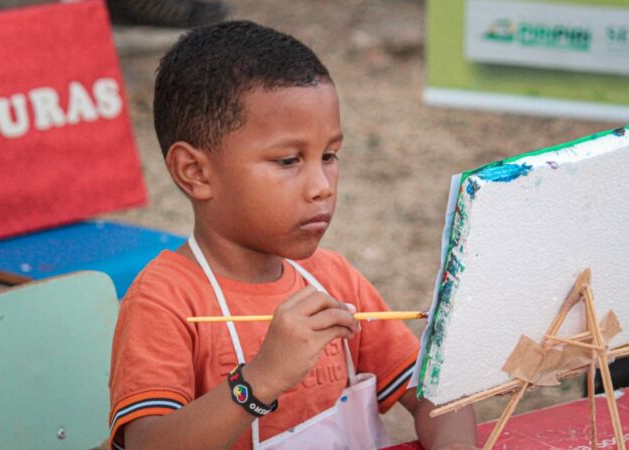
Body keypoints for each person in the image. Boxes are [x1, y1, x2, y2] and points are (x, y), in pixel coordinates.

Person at [108, 20, 477, 450]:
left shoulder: (334, 281)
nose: (322, 186)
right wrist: (261, 379)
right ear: (196, 173)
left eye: (329, 156)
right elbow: (147, 444)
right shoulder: (164, 301)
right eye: (288, 161)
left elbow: (437, 395)